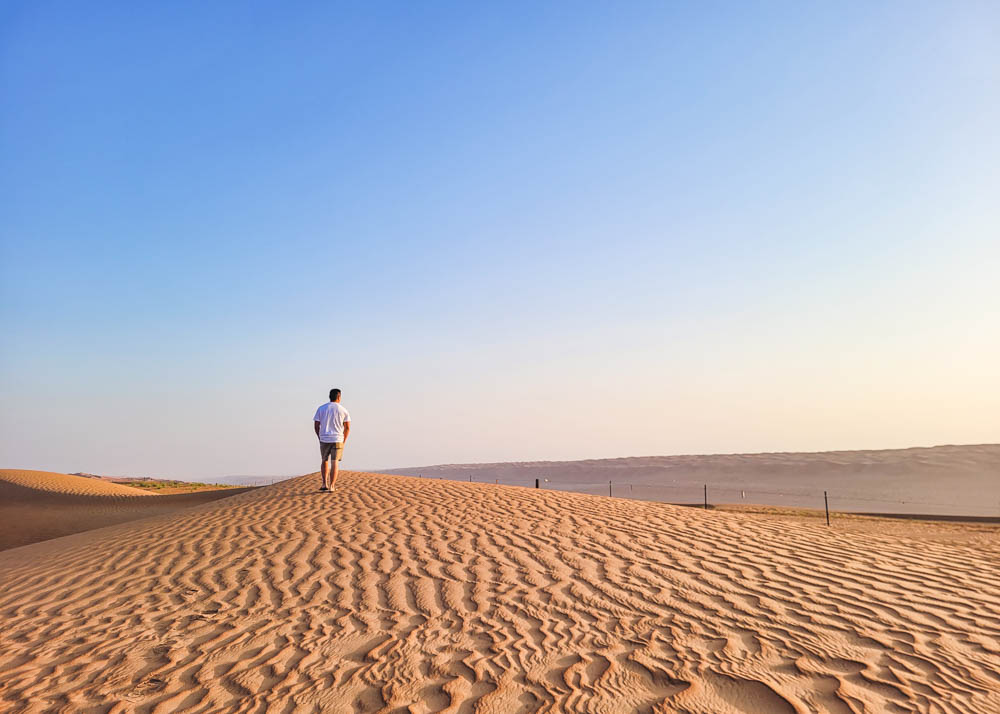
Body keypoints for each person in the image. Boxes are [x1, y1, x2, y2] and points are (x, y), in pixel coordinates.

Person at [313, 388, 351, 492]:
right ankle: (332, 486)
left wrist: (319, 436)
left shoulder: (321, 408)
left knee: (324, 460)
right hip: (338, 439)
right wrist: (343, 440)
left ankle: (324, 484)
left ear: (330, 397)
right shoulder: (343, 410)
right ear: (339, 397)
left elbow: (316, 425)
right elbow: (347, 427)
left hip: (324, 438)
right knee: (335, 462)